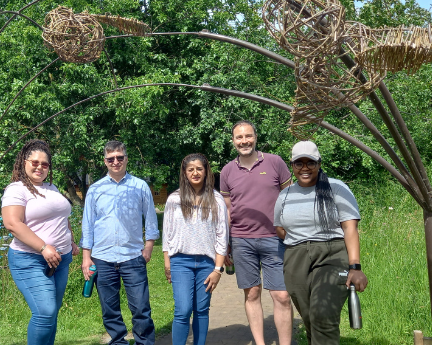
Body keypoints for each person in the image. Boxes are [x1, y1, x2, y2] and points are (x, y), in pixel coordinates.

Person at [274, 141, 368, 345]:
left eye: (311, 163)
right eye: (299, 163)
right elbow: (280, 229)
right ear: (292, 165)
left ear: (319, 163)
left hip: (331, 254)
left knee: (323, 315)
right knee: (309, 319)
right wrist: (300, 241)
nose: (305, 168)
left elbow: (350, 228)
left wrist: (355, 267)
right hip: (295, 257)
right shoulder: (285, 195)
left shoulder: (336, 188)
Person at [220, 120, 294, 345]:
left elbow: (290, 198)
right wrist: (227, 244)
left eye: (248, 136)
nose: (244, 141)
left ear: (255, 137)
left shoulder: (275, 162)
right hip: (242, 240)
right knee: (252, 293)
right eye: (239, 137)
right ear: (233, 141)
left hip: (275, 239)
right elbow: (227, 210)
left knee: (281, 295)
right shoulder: (227, 171)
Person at [80, 140, 159, 345]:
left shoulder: (140, 186)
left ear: (126, 158)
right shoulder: (95, 189)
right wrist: (86, 258)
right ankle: (118, 342)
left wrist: (149, 246)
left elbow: (151, 219)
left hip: (132, 256)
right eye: (111, 158)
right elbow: (87, 224)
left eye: (119, 157)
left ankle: (144, 342)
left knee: (141, 308)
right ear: (105, 161)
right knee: (109, 309)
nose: (116, 162)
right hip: (102, 257)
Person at [1, 139, 79, 345]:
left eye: (45, 164)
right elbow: (12, 223)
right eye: (34, 162)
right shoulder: (16, 189)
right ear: (23, 162)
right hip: (30, 259)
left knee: (52, 312)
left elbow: (62, 216)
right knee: (45, 311)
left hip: (61, 260)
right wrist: (44, 247)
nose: (40, 167)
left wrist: (71, 240)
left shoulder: (51, 187)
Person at [162, 153, 229, 345]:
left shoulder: (216, 200)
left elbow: (222, 236)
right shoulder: (174, 199)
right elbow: (167, 234)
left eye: (199, 168)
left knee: (201, 309)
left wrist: (218, 269)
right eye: (190, 169)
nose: (195, 172)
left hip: (207, 264)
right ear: (184, 173)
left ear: (206, 171)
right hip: (180, 261)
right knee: (182, 310)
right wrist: (167, 263)